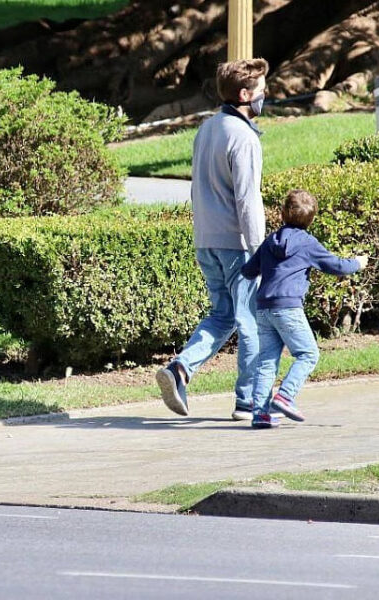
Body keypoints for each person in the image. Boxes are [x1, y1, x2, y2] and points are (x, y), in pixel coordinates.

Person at [156, 58, 269, 420]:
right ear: (245, 94)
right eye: (263, 90)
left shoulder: (206, 129)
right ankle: (248, 400)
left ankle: (180, 369)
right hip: (237, 243)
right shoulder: (244, 137)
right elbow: (248, 199)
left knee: (222, 316)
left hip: (206, 239)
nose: (266, 95)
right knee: (249, 319)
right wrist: (260, 250)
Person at [241, 189, 368, 428]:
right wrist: (358, 263)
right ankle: (285, 396)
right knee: (308, 354)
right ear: (311, 219)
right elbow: (337, 266)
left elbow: (248, 271)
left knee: (267, 361)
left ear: (281, 213)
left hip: (264, 308)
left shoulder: (270, 241)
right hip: (288, 307)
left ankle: (260, 413)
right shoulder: (307, 243)